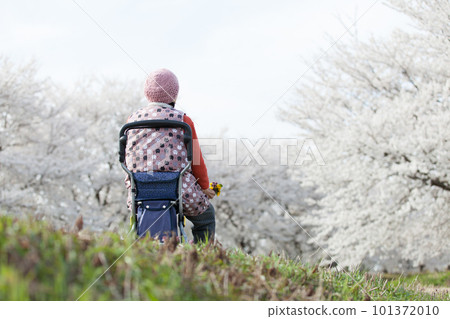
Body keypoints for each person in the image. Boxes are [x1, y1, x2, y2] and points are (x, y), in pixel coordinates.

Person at [124, 68, 216, 243]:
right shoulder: (183, 121)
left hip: (140, 191)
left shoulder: (132, 120)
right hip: (178, 189)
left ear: (147, 94)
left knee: (136, 217)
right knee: (206, 218)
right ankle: (202, 255)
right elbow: (196, 160)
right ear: (175, 95)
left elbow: (127, 158)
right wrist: (204, 186)